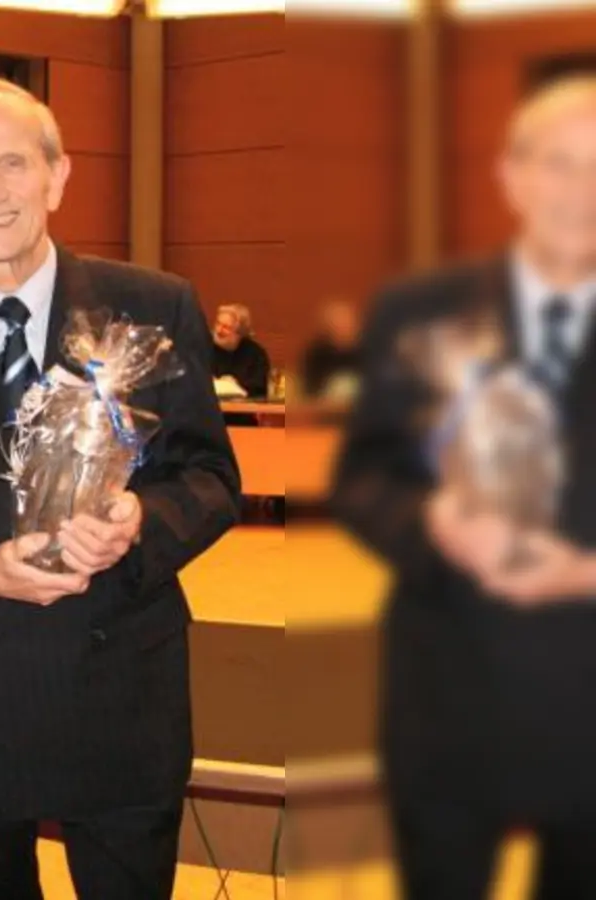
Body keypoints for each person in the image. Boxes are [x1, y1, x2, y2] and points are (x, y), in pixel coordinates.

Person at [0, 78, 240, 899]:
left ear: (58, 176)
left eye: (13, 165)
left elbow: (208, 477)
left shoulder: (154, 307)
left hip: (122, 700)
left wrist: (139, 519)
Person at [332, 75, 596, 899]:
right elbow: (365, 477)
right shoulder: (422, 312)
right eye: (559, 164)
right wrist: (434, 522)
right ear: (511, 176)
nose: (579, 191)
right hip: (449, 700)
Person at [299, 298, 361, 400]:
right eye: (337, 324)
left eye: (346, 322)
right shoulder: (318, 353)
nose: (343, 327)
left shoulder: (368, 350)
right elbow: (311, 388)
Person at [210, 302, 272, 398]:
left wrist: (235, 385)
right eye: (218, 323)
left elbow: (259, 390)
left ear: (239, 332)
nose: (219, 330)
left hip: (241, 410)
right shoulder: (203, 347)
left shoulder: (255, 355)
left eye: (226, 327)